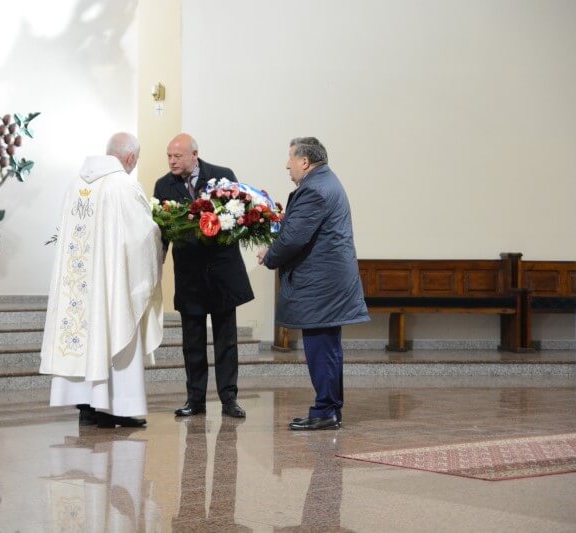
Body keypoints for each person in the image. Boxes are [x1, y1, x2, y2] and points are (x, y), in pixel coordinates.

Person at [40, 132, 164, 428]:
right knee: (115, 328)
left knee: (87, 332)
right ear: (131, 158)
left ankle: (88, 406)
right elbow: (141, 237)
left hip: (80, 285)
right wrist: (159, 235)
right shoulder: (123, 186)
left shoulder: (75, 185)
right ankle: (117, 407)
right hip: (111, 284)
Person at [257, 137, 369, 430]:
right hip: (327, 282)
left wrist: (270, 255)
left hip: (322, 285)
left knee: (322, 348)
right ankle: (328, 408)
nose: (287, 165)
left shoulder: (315, 190)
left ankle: (326, 411)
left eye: (290, 159)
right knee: (327, 347)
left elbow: (294, 238)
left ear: (304, 162)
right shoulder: (325, 183)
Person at [153, 133, 253, 419]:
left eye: (177, 156)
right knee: (192, 341)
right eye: (169, 156)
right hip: (190, 276)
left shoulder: (222, 177)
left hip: (222, 272)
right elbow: (161, 232)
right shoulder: (163, 185)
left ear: (194, 154)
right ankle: (195, 399)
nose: (172, 161)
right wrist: (157, 265)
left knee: (226, 340)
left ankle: (229, 399)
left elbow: (241, 218)